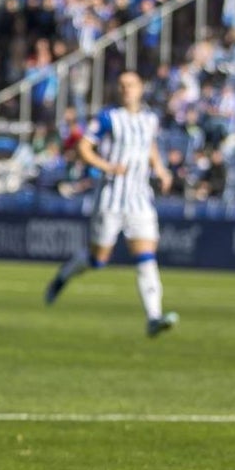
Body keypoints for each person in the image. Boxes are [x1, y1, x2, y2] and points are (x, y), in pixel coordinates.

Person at [44, 70, 179, 336]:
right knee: (98, 259)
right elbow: (84, 147)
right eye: (122, 84)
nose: (126, 89)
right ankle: (63, 276)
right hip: (111, 197)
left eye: (131, 84)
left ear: (141, 88)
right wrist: (107, 166)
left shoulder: (150, 119)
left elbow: (148, 146)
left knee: (146, 257)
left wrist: (161, 170)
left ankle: (153, 317)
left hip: (140, 199)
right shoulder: (108, 118)